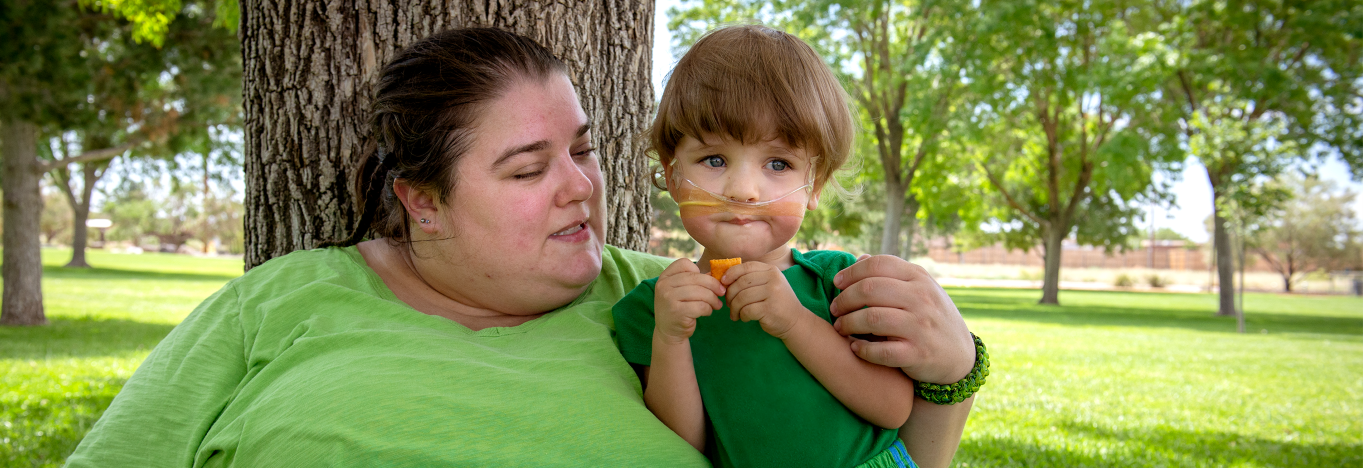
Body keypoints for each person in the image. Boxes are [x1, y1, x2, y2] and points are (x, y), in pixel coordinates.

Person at [65, 27, 981, 467]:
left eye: (582, 149)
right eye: (526, 169)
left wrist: (953, 376)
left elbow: (882, 453)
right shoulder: (281, 302)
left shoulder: (668, 294)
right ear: (421, 201)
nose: (582, 187)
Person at [611, 25, 987, 468]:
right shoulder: (655, 309)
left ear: (815, 184)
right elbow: (683, 447)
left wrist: (794, 321)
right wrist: (670, 338)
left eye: (778, 163)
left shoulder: (841, 282)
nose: (744, 190)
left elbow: (892, 408)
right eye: (715, 159)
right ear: (674, 177)